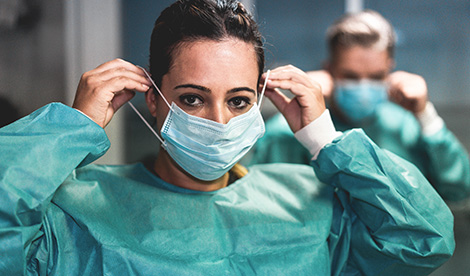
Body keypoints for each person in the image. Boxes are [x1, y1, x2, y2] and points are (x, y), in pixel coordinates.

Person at [0, 1, 455, 275]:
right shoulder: (78, 211)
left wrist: (325, 139)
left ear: (259, 100)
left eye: (238, 100)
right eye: (193, 99)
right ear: (153, 100)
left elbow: (422, 239)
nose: (218, 121)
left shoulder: (308, 205)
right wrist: (72, 128)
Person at [246, 10, 470, 203]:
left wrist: (425, 116)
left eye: (375, 77)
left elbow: (459, 190)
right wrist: (309, 122)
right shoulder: (287, 130)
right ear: (329, 70)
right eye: (351, 77)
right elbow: (258, 199)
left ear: (389, 71)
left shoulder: (404, 127)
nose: (363, 88)